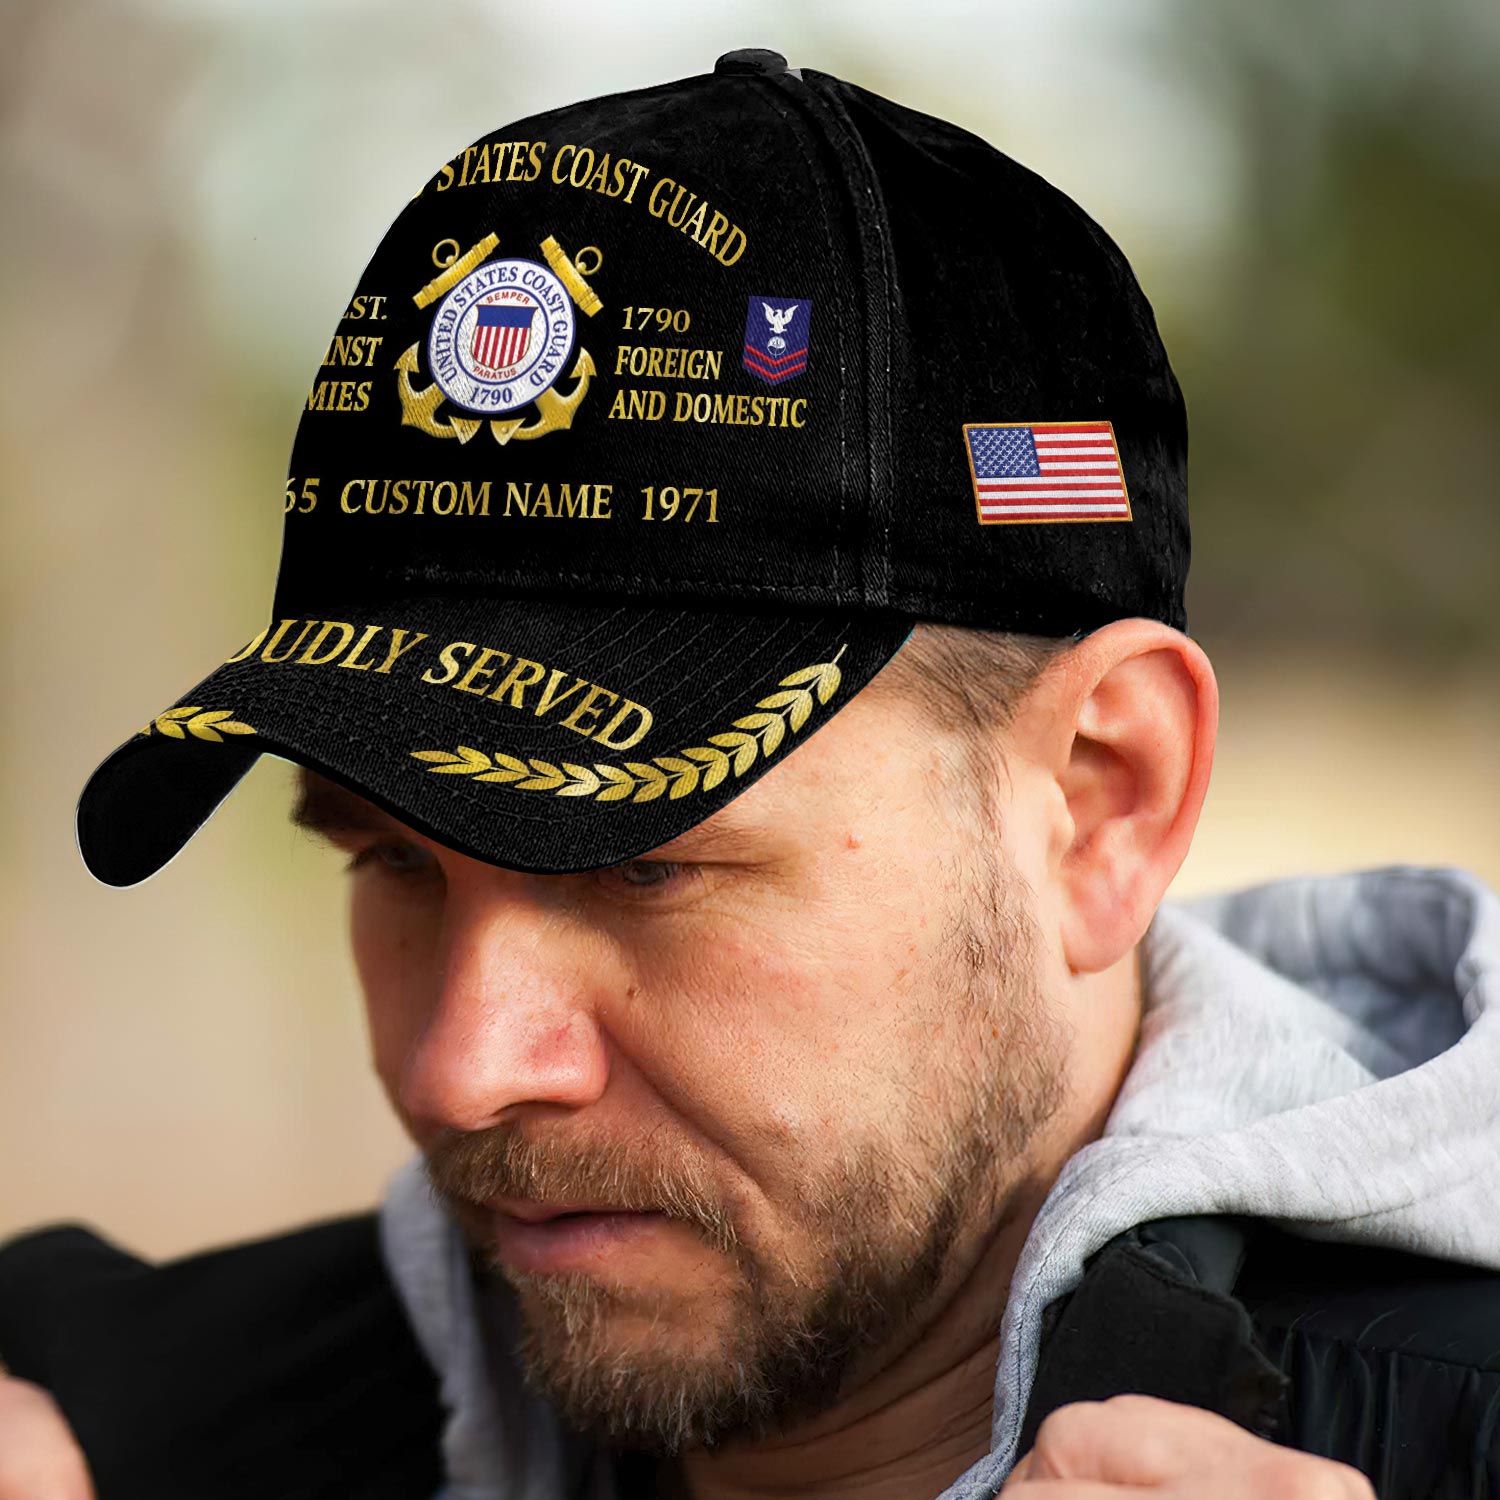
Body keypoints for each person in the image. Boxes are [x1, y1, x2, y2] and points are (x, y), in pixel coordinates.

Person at [2, 47, 1496, 1500]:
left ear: (1103, 802)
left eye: (643, 863)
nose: (463, 1067)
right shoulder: (127, 1424)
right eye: (394, 860)